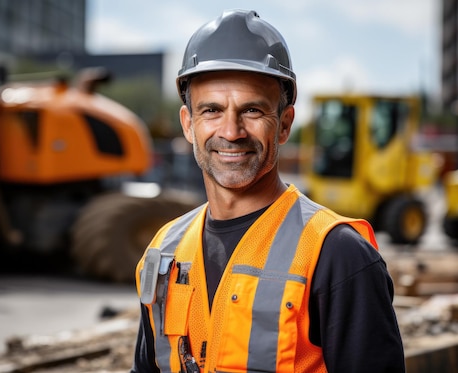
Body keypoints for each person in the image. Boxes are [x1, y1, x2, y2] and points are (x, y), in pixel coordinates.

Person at [132, 9, 405, 373]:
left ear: (284, 125)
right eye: (211, 110)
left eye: (253, 111)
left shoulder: (337, 255)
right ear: (188, 124)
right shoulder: (164, 250)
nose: (231, 131)